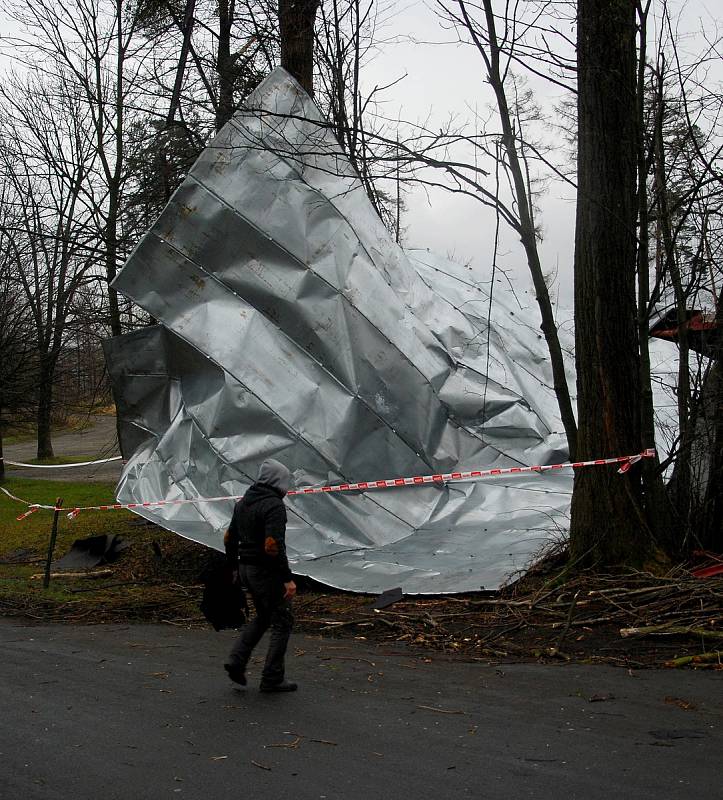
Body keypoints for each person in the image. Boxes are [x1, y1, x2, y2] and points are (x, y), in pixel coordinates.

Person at [223, 458, 297, 692]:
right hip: (265, 571)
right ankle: (272, 677)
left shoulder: (243, 502)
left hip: (246, 568)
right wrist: (287, 578)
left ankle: (236, 660)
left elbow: (229, 538)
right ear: (277, 481)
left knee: (265, 616)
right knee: (282, 621)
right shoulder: (273, 505)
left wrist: (234, 568)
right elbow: (272, 546)